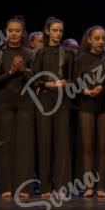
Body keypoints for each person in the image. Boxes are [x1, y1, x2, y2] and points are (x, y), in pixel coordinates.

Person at [30, 16, 74, 198]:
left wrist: (67, 83)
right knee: (45, 142)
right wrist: (50, 84)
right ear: (47, 31)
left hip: (62, 101)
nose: (58, 34)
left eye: (60, 31)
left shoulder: (68, 54)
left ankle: (61, 186)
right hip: (44, 100)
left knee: (62, 143)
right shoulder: (40, 53)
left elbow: (72, 79)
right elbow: (34, 79)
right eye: (55, 30)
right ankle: (45, 188)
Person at [0, 16, 36, 199]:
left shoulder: (30, 53)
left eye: (17, 31)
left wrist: (23, 69)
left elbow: (35, 80)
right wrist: (11, 71)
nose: (14, 34)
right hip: (5, 102)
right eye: (11, 31)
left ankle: (24, 187)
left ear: (23, 32)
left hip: (25, 101)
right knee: (5, 145)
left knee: (24, 145)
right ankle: (6, 187)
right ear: (6, 32)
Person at [74, 26, 105, 197]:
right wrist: (85, 90)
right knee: (88, 146)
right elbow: (75, 80)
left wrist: (102, 88)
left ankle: (102, 186)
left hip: (104, 104)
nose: (101, 42)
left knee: (103, 146)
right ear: (89, 40)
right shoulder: (81, 59)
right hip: (86, 103)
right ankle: (89, 187)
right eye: (97, 38)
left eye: (103, 38)